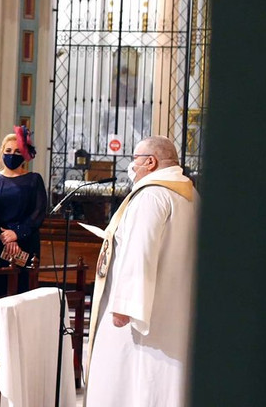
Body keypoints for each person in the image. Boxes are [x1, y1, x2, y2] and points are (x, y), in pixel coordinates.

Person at [84, 136, 198, 407]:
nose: (131, 166)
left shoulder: (152, 196)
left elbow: (140, 251)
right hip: (177, 305)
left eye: (135, 159)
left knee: (130, 380)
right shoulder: (190, 195)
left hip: (142, 313)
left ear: (150, 162)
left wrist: (125, 306)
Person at [0, 126, 47, 296]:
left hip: (26, 244)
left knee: (23, 294)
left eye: (17, 151)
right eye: (8, 150)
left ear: (24, 154)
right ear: (1, 152)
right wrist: (4, 236)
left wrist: (16, 233)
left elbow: (38, 213)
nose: (12, 154)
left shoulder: (34, 180)